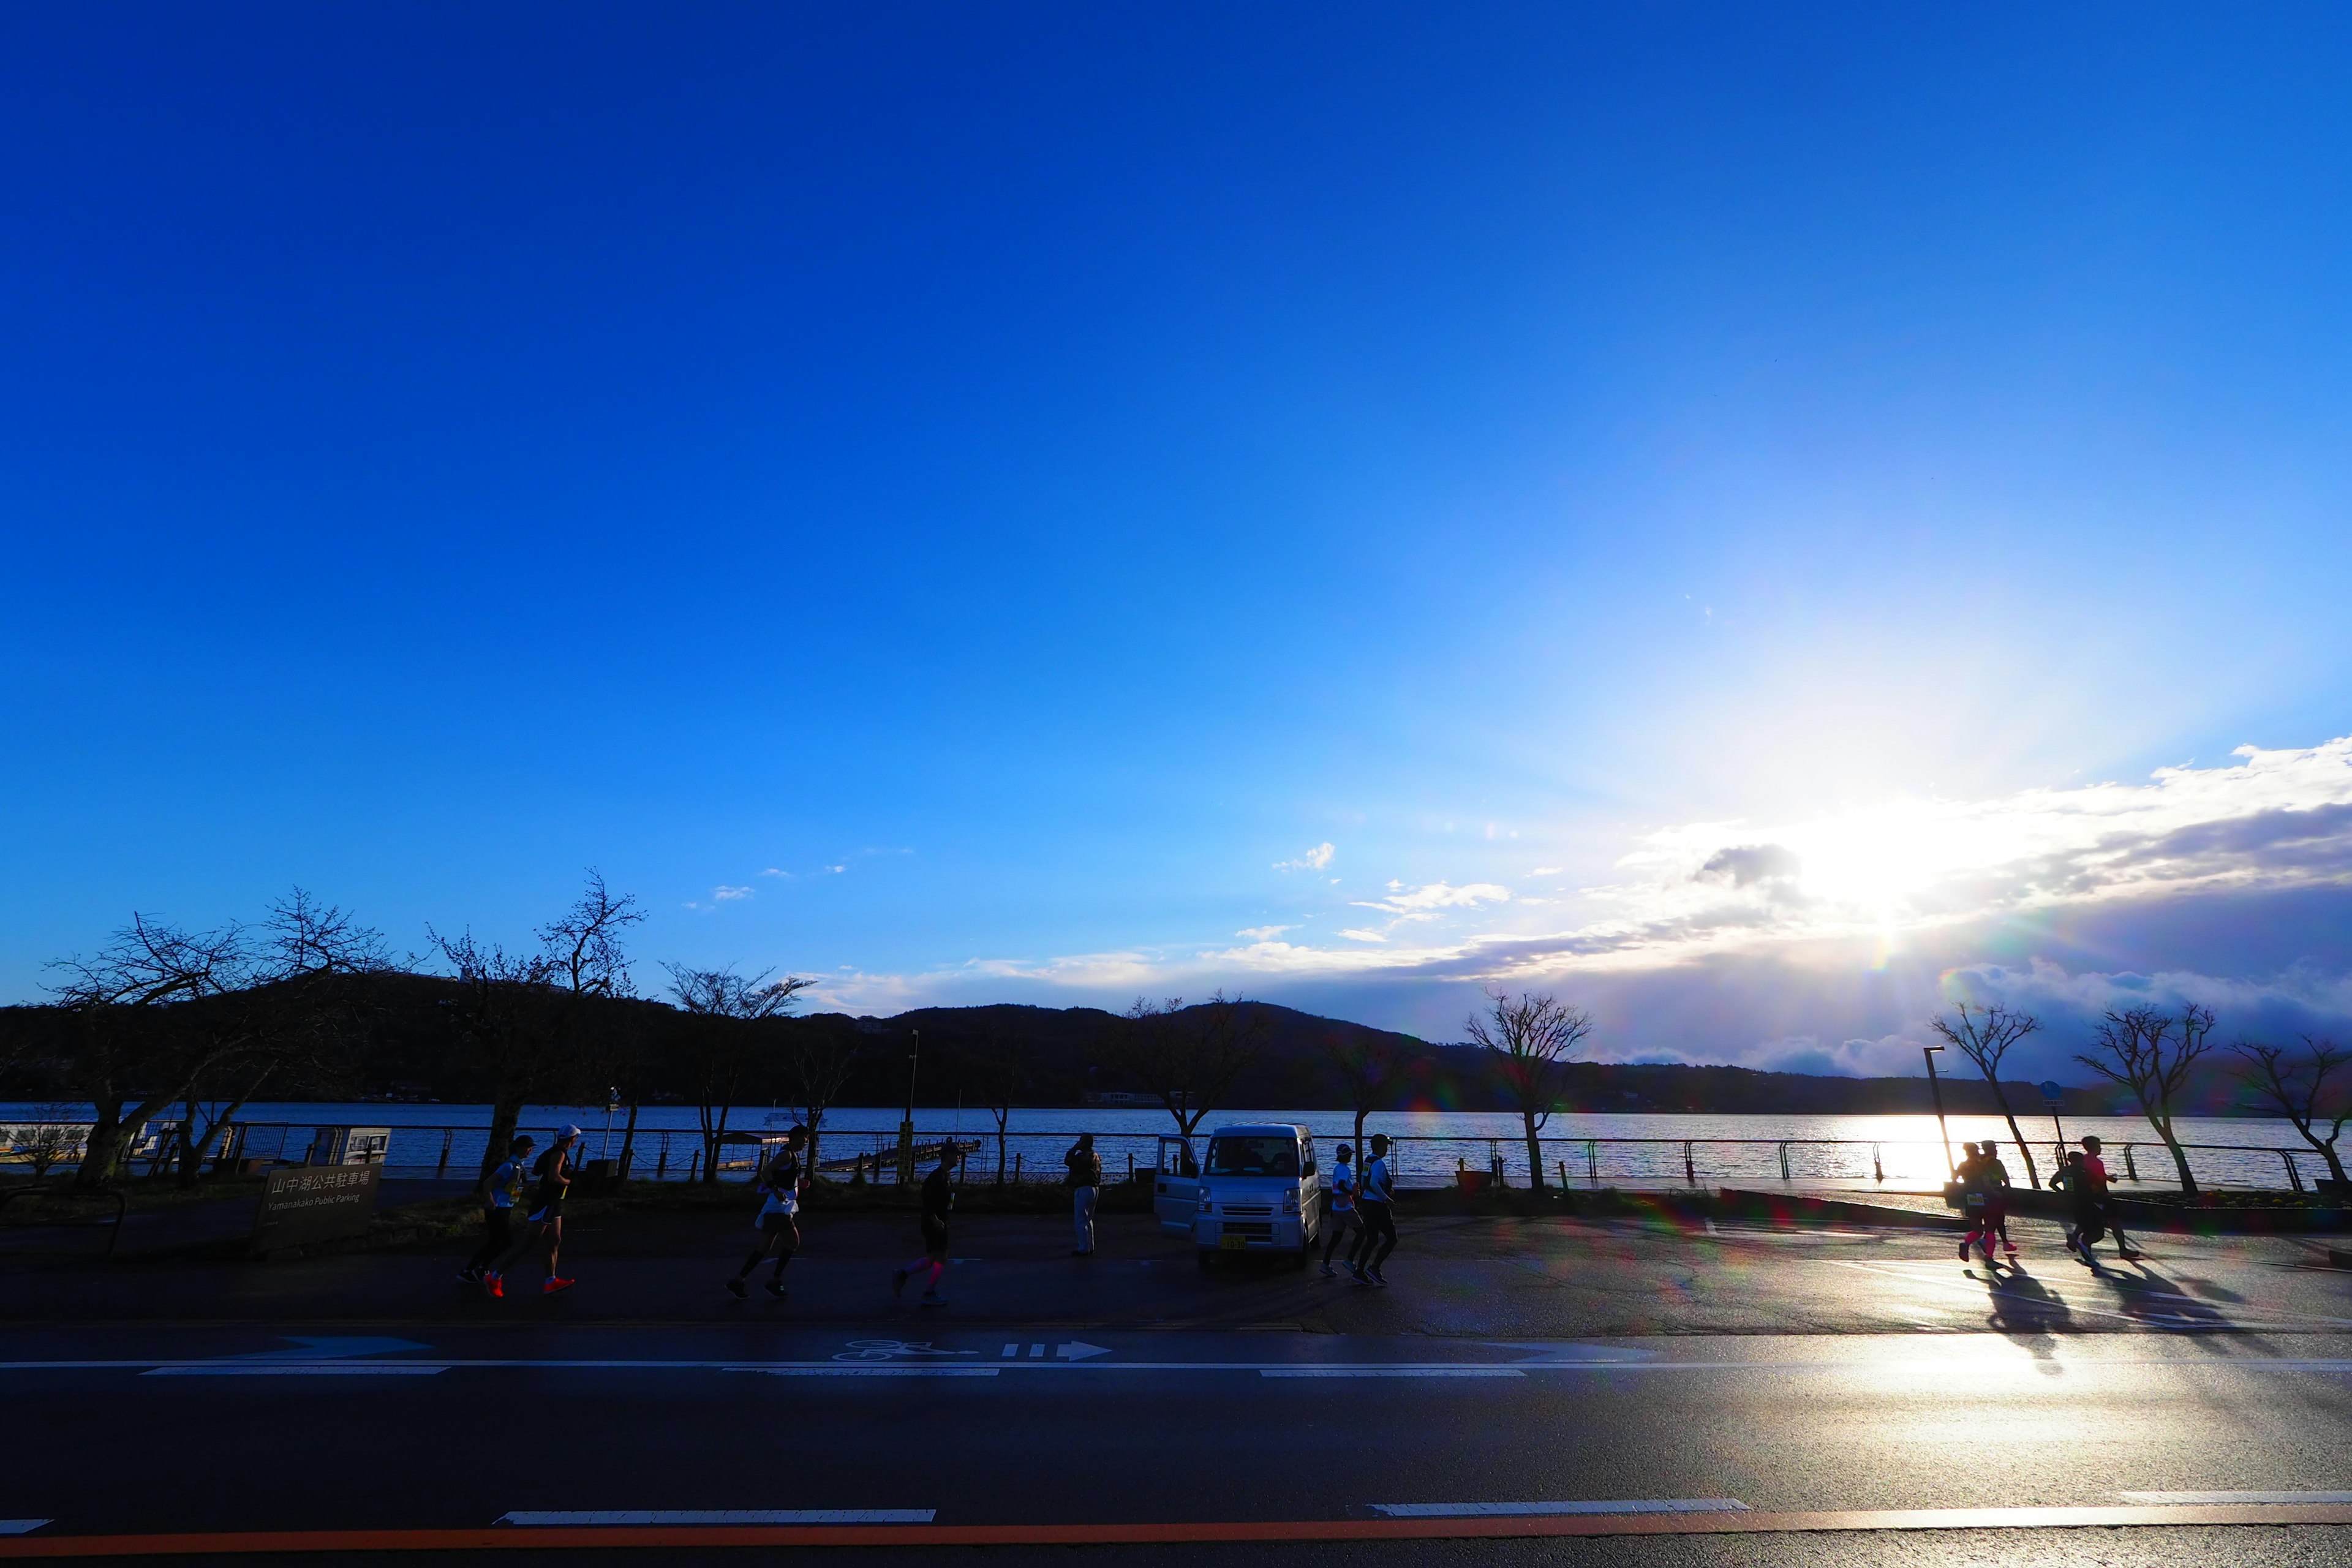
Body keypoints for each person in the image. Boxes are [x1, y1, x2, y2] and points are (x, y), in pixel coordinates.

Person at [485, 1125, 580, 1298]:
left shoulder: (553, 1152)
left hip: (554, 1203)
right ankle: (495, 1276)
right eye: (576, 1138)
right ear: (573, 1139)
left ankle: (551, 1281)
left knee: (555, 1240)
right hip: (545, 1202)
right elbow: (554, 1177)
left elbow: (539, 1172)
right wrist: (569, 1182)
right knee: (528, 1244)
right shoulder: (559, 1154)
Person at [729, 1126, 809, 1300]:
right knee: (793, 1242)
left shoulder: (792, 1155)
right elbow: (766, 1171)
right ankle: (774, 1280)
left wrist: (798, 1182)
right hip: (779, 1209)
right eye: (804, 1138)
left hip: (777, 1208)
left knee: (764, 1248)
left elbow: (783, 1176)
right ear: (795, 1137)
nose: (806, 1141)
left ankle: (738, 1280)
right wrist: (775, 1189)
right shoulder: (786, 1155)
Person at [460, 1134, 533, 1285]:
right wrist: (491, 1202)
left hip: (506, 1206)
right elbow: (488, 1184)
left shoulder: (519, 1166)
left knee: (493, 1242)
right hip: (498, 1207)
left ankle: (469, 1271)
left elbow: (515, 1186)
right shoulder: (509, 1166)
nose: (530, 1151)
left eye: (531, 1148)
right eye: (528, 1147)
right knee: (507, 1241)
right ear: (519, 1148)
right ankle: (481, 1268)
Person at [893, 1147, 956, 1306]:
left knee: (931, 1260)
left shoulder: (946, 1177)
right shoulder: (936, 1178)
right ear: (948, 1156)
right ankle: (929, 1292)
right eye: (957, 1155)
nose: (959, 1158)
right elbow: (926, 1202)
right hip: (934, 1224)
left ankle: (903, 1275)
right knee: (941, 1258)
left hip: (940, 1222)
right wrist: (935, 1220)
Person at [2080, 1136, 2143, 1261]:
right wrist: (2109, 1180)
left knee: (2090, 1221)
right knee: (2114, 1222)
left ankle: (2077, 1240)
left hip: (2089, 1196)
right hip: (2101, 1196)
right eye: (2099, 1146)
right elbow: (2098, 1179)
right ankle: (2122, 1249)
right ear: (2094, 1147)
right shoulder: (2097, 1162)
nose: (2101, 1148)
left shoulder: (2084, 1160)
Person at [1351, 1133, 1397, 1286]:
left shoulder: (1368, 1161)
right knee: (1392, 1238)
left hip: (1367, 1203)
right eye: (1385, 1147)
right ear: (1381, 1147)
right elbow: (1374, 1182)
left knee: (1372, 1240)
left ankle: (1359, 1271)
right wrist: (1386, 1198)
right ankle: (1375, 1267)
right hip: (1377, 1205)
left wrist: (1381, 1191)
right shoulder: (1379, 1164)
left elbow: (1365, 1181)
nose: (1386, 1150)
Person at [2051, 1148, 2106, 1268]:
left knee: (2085, 1226)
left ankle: (2087, 1255)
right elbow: (2099, 1183)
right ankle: (2081, 1245)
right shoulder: (2084, 1172)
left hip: (2073, 1203)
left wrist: (2062, 1193)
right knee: (2097, 1233)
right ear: (2082, 1161)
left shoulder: (2065, 1171)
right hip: (2088, 1203)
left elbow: (2052, 1183)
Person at [1319, 1142, 1362, 1278]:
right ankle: (1350, 1260)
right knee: (1362, 1233)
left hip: (1336, 1206)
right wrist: (1352, 1192)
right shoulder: (1345, 1170)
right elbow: (1343, 1184)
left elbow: (1337, 1185)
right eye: (1350, 1154)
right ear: (1348, 1156)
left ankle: (1325, 1264)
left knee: (1336, 1237)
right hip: (1346, 1207)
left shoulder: (1337, 1168)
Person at [1956, 1143, 1995, 1267]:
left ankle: (1966, 1244)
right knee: (1990, 1228)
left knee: (1977, 1229)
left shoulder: (1962, 1165)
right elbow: (1986, 1182)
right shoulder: (1980, 1166)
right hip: (1983, 1196)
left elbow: (1955, 1177)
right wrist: (1995, 1193)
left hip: (1970, 1197)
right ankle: (1989, 1256)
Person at [1065, 1133, 1102, 1256]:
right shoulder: (1096, 1156)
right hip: (1095, 1188)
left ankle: (1083, 1248)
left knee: (1080, 1220)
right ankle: (1090, 1246)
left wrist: (1074, 1149)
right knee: (1089, 1219)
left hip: (1083, 1188)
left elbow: (1068, 1161)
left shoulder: (1082, 1157)